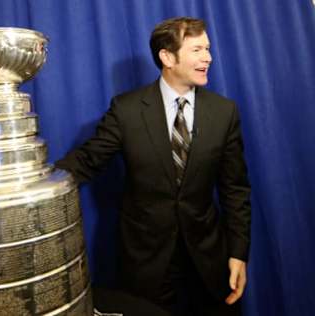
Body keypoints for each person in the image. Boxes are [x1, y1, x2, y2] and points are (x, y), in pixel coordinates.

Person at [55, 17, 251, 316]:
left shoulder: (225, 112)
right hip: (146, 264)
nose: (208, 57)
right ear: (167, 57)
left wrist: (238, 253)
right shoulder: (127, 110)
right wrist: (37, 185)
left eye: (208, 48)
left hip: (209, 260)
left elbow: (235, 189)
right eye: (197, 49)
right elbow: (86, 161)